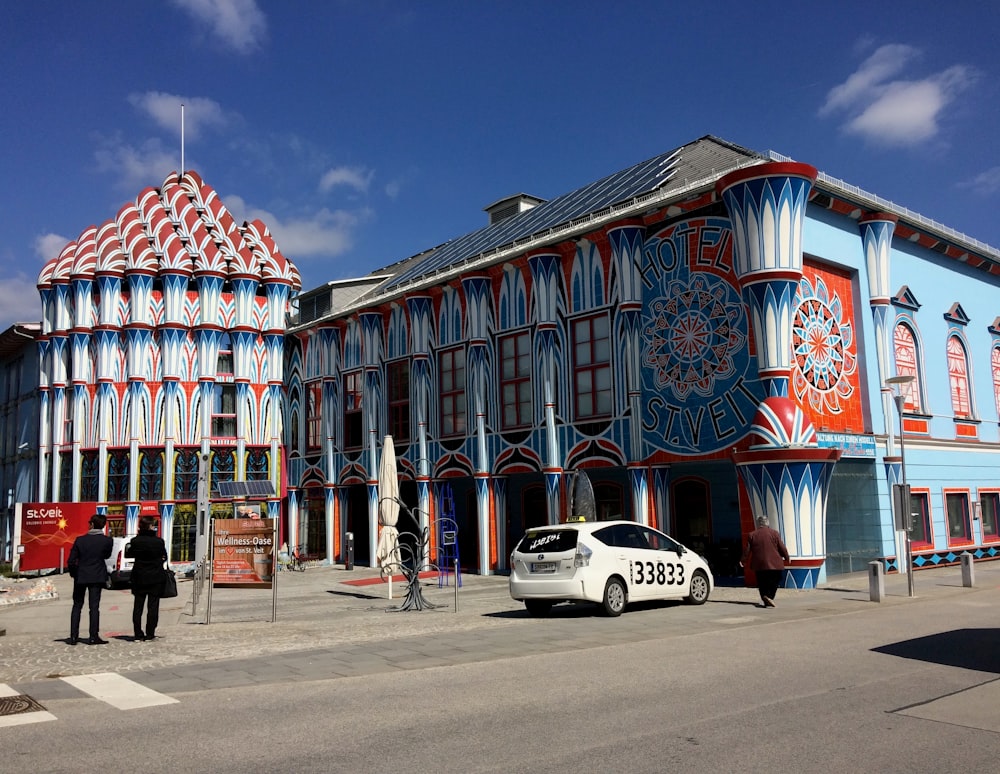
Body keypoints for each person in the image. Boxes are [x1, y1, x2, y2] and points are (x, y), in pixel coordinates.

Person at [67, 513, 114, 645]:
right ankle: (93, 636)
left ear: (91, 524)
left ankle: (73, 636)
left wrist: (73, 573)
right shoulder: (107, 541)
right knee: (94, 607)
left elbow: (71, 561)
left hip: (81, 575)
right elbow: (106, 555)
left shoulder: (80, 540)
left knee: (77, 605)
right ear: (103, 526)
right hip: (97, 575)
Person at [124, 515, 168, 641]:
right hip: (155, 577)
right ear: (150, 526)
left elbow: (131, 553)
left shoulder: (135, 541)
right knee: (153, 607)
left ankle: (138, 633)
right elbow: (164, 556)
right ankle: (150, 633)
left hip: (139, 577)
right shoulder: (159, 542)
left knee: (138, 606)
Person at [742, 515, 790, 608]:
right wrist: (787, 557)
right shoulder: (774, 533)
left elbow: (747, 550)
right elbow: (781, 547)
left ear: (758, 524)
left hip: (759, 563)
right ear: (767, 523)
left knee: (762, 582)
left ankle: (765, 598)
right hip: (775, 563)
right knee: (776, 580)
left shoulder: (752, 534)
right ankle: (770, 597)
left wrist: (743, 560)